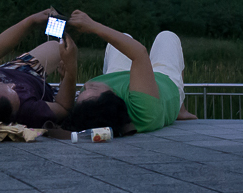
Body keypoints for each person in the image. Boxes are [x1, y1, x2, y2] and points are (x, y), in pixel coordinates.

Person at [64, 10, 197, 135]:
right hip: (162, 81)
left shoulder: (93, 110)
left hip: (120, 77)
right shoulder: (144, 110)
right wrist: (92, 26)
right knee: (167, 37)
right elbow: (139, 53)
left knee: (124, 38)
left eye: (82, 92)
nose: (87, 85)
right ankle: (180, 109)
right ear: (113, 98)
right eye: (92, 89)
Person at [0, 9, 78, 128]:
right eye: (15, 93)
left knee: (54, 47)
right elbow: (63, 108)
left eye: (6, 86)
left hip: (15, 69)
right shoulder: (27, 113)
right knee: (65, 53)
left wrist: (30, 22)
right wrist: (70, 71)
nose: (13, 85)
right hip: (40, 89)